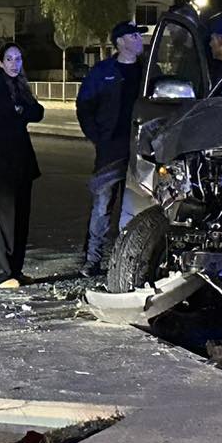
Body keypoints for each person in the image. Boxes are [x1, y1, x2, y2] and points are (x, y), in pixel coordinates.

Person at [76, 20, 144, 277]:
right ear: (121, 42)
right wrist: (98, 138)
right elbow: (84, 107)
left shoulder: (148, 72)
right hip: (111, 150)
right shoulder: (103, 72)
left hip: (141, 149)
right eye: (134, 36)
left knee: (136, 205)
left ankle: (128, 260)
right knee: (103, 204)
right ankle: (93, 259)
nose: (139, 39)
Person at [0, 43, 43, 287]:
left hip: (21, 161)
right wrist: (20, 110)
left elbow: (37, 112)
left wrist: (21, 110)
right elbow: (5, 114)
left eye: (18, 58)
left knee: (19, 218)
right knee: (0, 219)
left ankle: (14, 271)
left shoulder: (20, 85)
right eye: (10, 58)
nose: (15, 63)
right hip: (1, 162)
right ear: (0, 62)